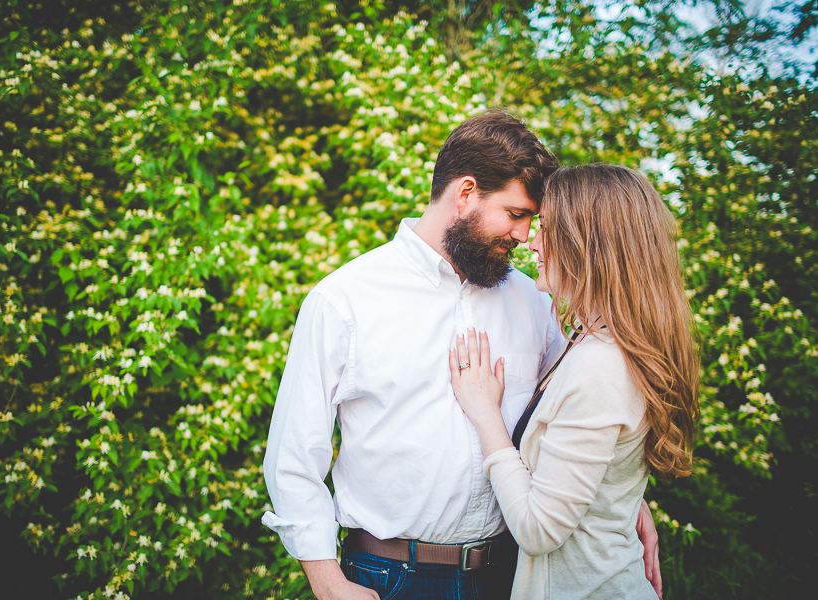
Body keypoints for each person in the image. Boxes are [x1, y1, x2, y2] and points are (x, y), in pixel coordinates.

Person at [262, 112, 662, 600]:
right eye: (515, 214)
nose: (523, 236)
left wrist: (627, 503)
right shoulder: (344, 300)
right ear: (466, 193)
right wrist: (326, 581)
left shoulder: (534, 300)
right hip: (388, 576)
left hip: (511, 573)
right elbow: (294, 457)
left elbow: (579, 425)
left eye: (532, 220)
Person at [449, 164, 699, 600]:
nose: (533, 241)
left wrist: (486, 414)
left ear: (592, 247)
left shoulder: (600, 366)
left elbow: (538, 529)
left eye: (548, 228)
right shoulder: (592, 343)